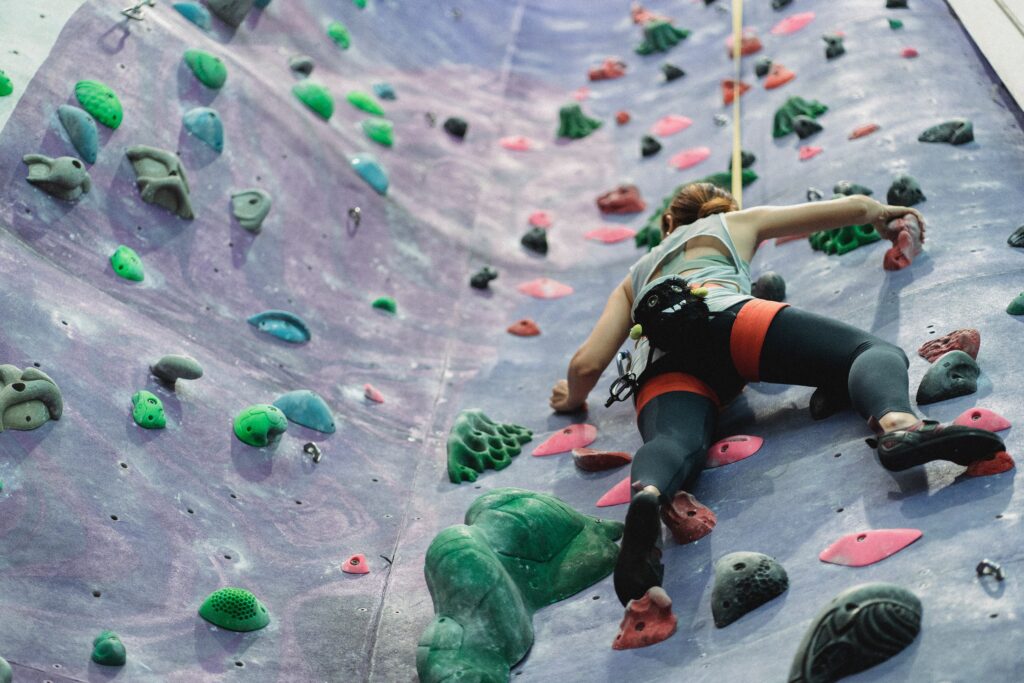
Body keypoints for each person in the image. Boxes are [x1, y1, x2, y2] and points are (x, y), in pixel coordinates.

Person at [548, 182, 1005, 606]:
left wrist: (571, 398)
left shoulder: (634, 277)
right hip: (727, 321)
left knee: (673, 444)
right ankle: (900, 427)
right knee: (867, 351)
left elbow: (587, 364)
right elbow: (843, 209)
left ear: (667, 224)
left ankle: (647, 495)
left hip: (660, 366)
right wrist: (880, 214)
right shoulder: (731, 223)